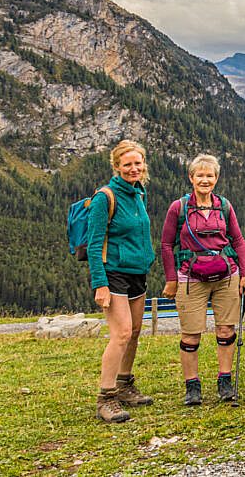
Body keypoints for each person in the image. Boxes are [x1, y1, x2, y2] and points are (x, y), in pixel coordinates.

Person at [160, 154, 245, 405]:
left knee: (225, 329)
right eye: (199, 175)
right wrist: (171, 279)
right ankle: (192, 386)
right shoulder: (178, 208)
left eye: (209, 175)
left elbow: (238, 240)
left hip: (226, 275)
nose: (204, 180)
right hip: (190, 277)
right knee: (191, 333)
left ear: (216, 178)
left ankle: (225, 380)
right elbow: (167, 245)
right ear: (191, 178)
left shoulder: (224, 206)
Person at [87, 139, 156, 423]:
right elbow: (93, 244)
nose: (133, 168)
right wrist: (99, 283)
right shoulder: (105, 197)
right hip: (113, 271)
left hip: (136, 271)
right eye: (127, 164)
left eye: (137, 163)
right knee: (122, 334)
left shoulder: (139, 194)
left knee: (136, 330)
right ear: (116, 167)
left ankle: (125, 385)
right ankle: (106, 397)